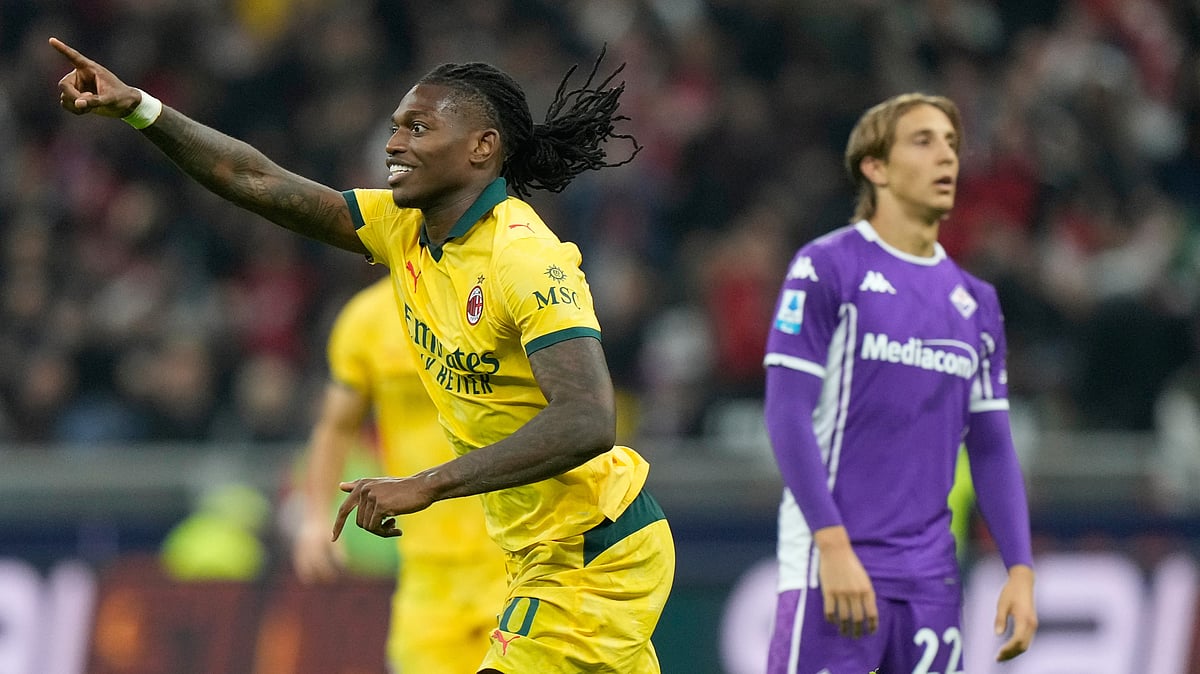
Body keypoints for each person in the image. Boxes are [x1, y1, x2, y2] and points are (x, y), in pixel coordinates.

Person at [51, 37, 675, 673]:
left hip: (590, 551)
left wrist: (424, 484)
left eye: (419, 127)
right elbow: (254, 179)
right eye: (395, 126)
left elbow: (589, 420)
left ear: (482, 147)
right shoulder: (401, 228)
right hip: (532, 550)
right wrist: (141, 110)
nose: (394, 143)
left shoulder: (524, 258)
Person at [761, 93, 1038, 673]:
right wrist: (831, 548)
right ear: (876, 167)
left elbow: (990, 446)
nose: (948, 158)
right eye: (924, 140)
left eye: (953, 145)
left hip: (932, 584)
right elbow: (787, 415)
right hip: (834, 567)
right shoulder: (828, 267)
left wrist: (1020, 567)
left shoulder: (977, 303)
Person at [293, 275, 506, 672]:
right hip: (426, 576)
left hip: (515, 559)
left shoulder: (498, 292)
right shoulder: (366, 320)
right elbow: (337, 425)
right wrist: (314, 517)